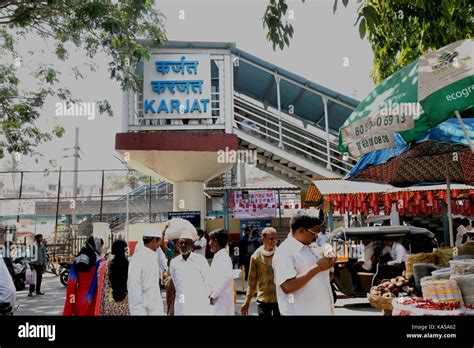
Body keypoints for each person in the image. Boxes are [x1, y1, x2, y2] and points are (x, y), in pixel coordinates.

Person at [272, 210, 335, 315]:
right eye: (314, 232)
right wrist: (318, 267)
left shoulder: (312, 248)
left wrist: (330, 264)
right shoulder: (285, 252)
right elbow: (287, 286)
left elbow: (325, 278)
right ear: (301, 230)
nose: (316, 237)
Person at [169, 226, 213, 315]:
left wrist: (204, 300)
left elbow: (208, 281)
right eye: (181, 243)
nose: (183, 245)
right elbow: (175, 283)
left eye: (186, 243)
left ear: (192, 245)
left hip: (197, 301)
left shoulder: (200, 260)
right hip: (181, 298)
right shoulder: (174, 262)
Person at [241, 227, 279, 316]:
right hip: (263, 300)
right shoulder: (255, 257)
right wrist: (246, 302)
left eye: (275, 238)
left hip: (280, 300)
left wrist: (291, 300)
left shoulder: (282, 254)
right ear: (263, 239)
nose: (274, 241)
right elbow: (251, 283)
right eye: (271, 239)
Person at [63, 236, 105, 316]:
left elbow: (71, 283)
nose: (101, 249)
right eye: (101, 246)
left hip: (78, 298)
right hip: (93, 299)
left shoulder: (77, 260)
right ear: (96, 246)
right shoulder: (101, 262)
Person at [127, 227, 165, 315]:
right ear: (155, 240)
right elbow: (134, 287)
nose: (159, 244)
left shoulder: (151, 256)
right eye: (159, 241)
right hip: (143, 311)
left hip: (154, 309)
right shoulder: (139, 258)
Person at [97, 239, 130, 316]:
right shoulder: (130, 266)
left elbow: (101, 287)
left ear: (113, 250)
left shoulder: (104, 267)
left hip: (110, 303)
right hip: (126, 303)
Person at [208, 229, 234, 315]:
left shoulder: (224, 258)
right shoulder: (218, 256)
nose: (209, 243)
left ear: (215, 241)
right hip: (217, 300)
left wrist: (213, 295)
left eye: (210, 240)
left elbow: (226, 278)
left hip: (221, 300)